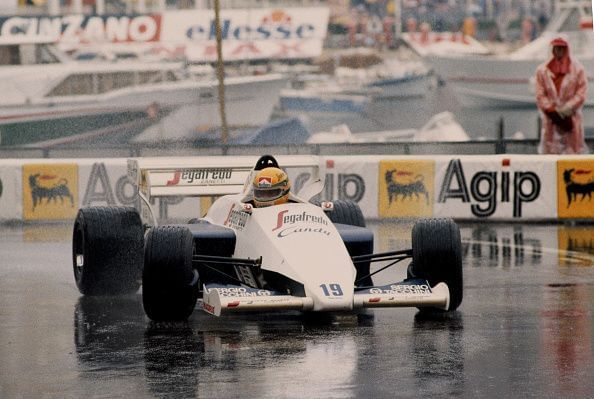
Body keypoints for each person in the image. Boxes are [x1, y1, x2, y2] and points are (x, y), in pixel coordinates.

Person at [535, 37, 588, 154]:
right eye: (556, 48)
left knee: (572, 152)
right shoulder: (542, 71)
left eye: (562, 48)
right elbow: (540, 94)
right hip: (551, 119)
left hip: (570, 119)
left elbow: (581, 92)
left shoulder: (578, 70)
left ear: (567, 49)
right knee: (550, 154)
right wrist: (552, 110)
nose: (559, 50)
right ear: (552, 49)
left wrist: (568, 107)